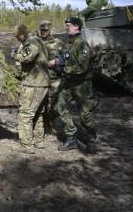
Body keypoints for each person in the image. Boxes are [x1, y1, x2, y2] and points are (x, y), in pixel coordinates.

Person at [50, 17, 97, 152]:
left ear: (76, 27)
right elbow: (62, 57)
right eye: (66, 25)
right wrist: (57, 61)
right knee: (61, 107)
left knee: (85, 114)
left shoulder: (82, 44)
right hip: (68, 83)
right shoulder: (68, 43)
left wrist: (64, 67)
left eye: (68, 25)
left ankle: (91, 139)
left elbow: (82, 67)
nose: (66, 27)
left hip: (82, 85)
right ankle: (71, 138)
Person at [12, 24, 50, 153]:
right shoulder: (39, 40)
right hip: (42, 82)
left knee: (25, 114)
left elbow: (28, 57)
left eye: (17, 37)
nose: (18, 40)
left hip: (33, 83)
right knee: (38, 113)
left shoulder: (31, 41)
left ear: (21, 34)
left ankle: (26, 145)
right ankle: (39, 141)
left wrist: (15, 55)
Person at [38, 20, 65, 135]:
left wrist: (57, 61)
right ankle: (42, 126)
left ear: (50, 30)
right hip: (39, 79)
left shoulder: (58, 42)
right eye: (42, 30)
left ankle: (51, 123)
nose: (44, 32)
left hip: (55, 78)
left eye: (46, 30)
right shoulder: (36, 42)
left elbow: (66, 57)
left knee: (56, 105)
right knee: (41, 104)